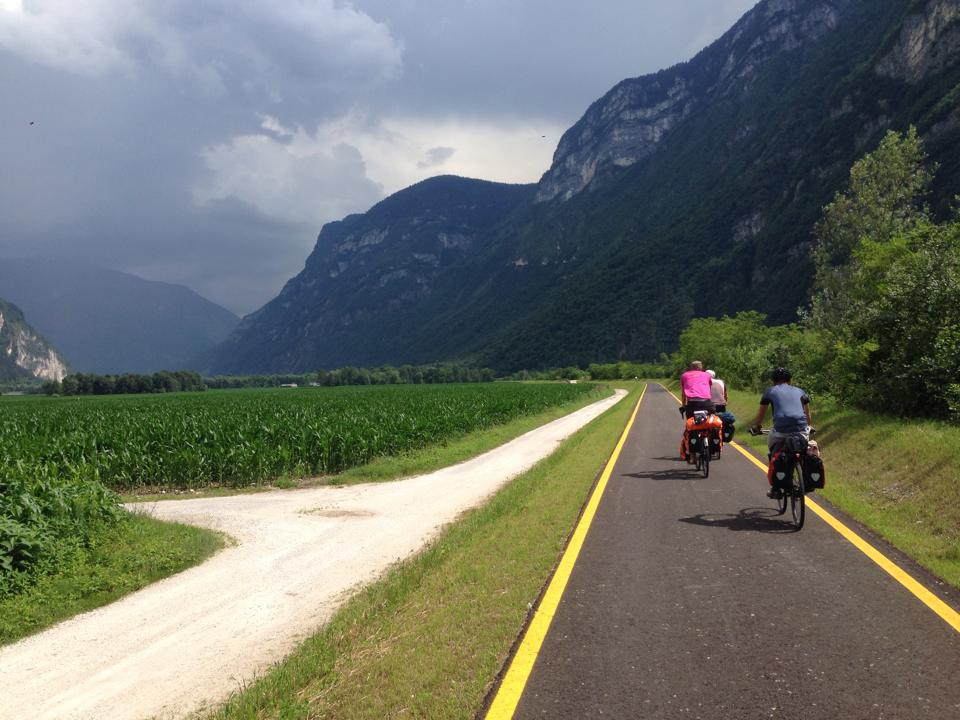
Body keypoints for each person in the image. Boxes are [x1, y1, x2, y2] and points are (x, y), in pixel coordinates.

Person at [749, 368, 812, 498]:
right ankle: (806, 481)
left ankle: (776, 487)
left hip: (780, 430)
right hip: (801, 429)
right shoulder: (800, 391)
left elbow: (761, 414)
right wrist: (809, 426)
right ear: (790, 380)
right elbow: (807, 414)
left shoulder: (770, 391)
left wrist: (757, 427)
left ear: (773, 380)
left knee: (773, 450)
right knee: (805, 450)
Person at [679, 361, 714, 461]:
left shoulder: (684, 376)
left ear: (692, 367)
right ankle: (711, 447)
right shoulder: (707, 375)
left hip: (692, 404)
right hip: (707, 403)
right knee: (710, 422)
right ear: (700, 367)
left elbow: (683, 394)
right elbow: (708, 389)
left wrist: (683, 405)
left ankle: (692, 456)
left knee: (691, 427)